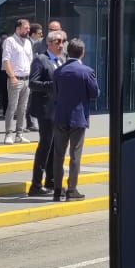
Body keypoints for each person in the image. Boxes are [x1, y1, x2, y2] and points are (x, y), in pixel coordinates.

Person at [49, 37, 98, 200]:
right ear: (82, 53)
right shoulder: (87, 71)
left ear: (67, 52)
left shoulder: (58, 71)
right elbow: (95, 93)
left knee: (58, 155)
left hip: (61, 116)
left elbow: (55, 94)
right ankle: (72, 189)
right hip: (78, 118)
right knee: (75, 155)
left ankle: (57, 189)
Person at [26, 27, 67, 195]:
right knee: (45, 145)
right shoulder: (40, 60)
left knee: (54, 146)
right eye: (58, 42)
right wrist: (53, 86)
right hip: (45, 109)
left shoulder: (61, 60)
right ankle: (36, 184)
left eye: (63, 41)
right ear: (49, 43)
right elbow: (33, 83)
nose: (61, 45)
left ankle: (50, 181)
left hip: (58, 109)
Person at [1, 17, 34, 143]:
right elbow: (6, 60)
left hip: (27, 79)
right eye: (26, 28)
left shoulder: (28, 42)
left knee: (23, 108)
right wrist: (12, 76)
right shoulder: (10, 41)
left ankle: (19, 134)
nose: (28, 30)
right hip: (15, 79)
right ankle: (8, 134)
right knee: (12, 107)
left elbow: (30, 60)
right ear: (18, 28)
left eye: (29, 28)